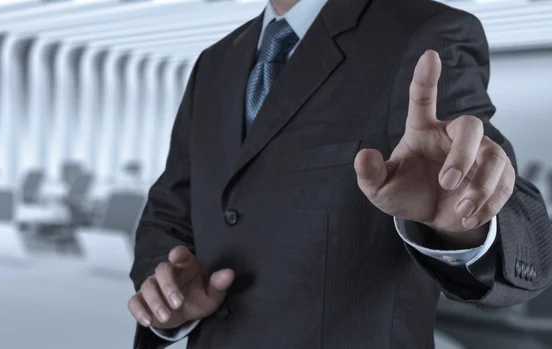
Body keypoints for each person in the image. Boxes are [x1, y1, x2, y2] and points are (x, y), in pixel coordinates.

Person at [127, 0, 552, 347]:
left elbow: (529, 244)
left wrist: (466, 220)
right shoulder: (215, 62)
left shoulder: (422, 32)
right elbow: (169, 212)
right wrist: (165, 289)